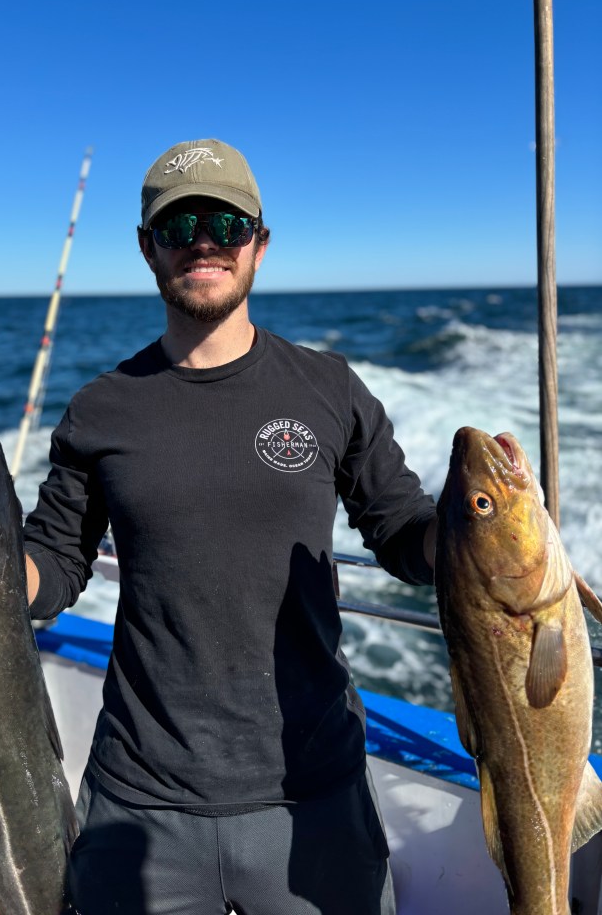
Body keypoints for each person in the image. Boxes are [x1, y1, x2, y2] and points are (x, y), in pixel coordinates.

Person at [23, 138, 437, 915]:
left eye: (225, 222)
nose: (204, 242)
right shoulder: (100, 409)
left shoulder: (329, 388)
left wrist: (475, 534)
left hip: (314, 794)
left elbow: (404, 532)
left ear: (260, 243)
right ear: (149, 249)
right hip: (138, 799)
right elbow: (53, 562)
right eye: (180, 228)